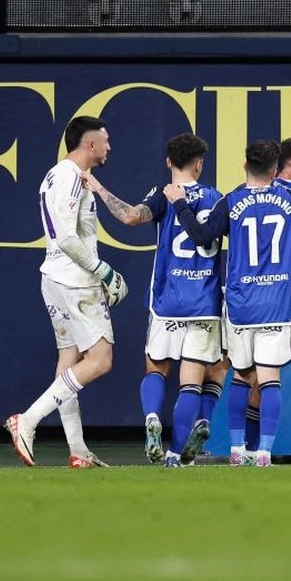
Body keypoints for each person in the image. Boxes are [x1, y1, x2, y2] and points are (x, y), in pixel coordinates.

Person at [165, 140, 291, 467]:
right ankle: (263, 453)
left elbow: (202, 237)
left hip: (240, 303)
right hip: (276, 302)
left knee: (243, 377)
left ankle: (236, 450)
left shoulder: (231, 201)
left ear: (245, 166)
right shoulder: (290, 198)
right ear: (275, 171)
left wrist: (180, 205)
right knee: (270, 378)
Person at [84, 133, 226, 468]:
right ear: (200, 163)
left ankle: (151, 417)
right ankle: (177, 455)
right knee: (192, 382)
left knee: (156, 369)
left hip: (167, 301)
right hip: (204, 302)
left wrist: (100, 189)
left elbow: (131, 216)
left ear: (168, 162)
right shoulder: (217, 198)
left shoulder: (163, 195)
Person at [4, 116, 128, 468]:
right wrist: (103, 271)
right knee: (100, 360)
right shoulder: (71, 177)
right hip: (75, 281)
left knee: (68, 360)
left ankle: (77, 449)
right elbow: (67, 236)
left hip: (53, 278)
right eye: (105, 140)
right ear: (90, 144)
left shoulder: (56, 174)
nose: (109, 146)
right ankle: (27, 419)